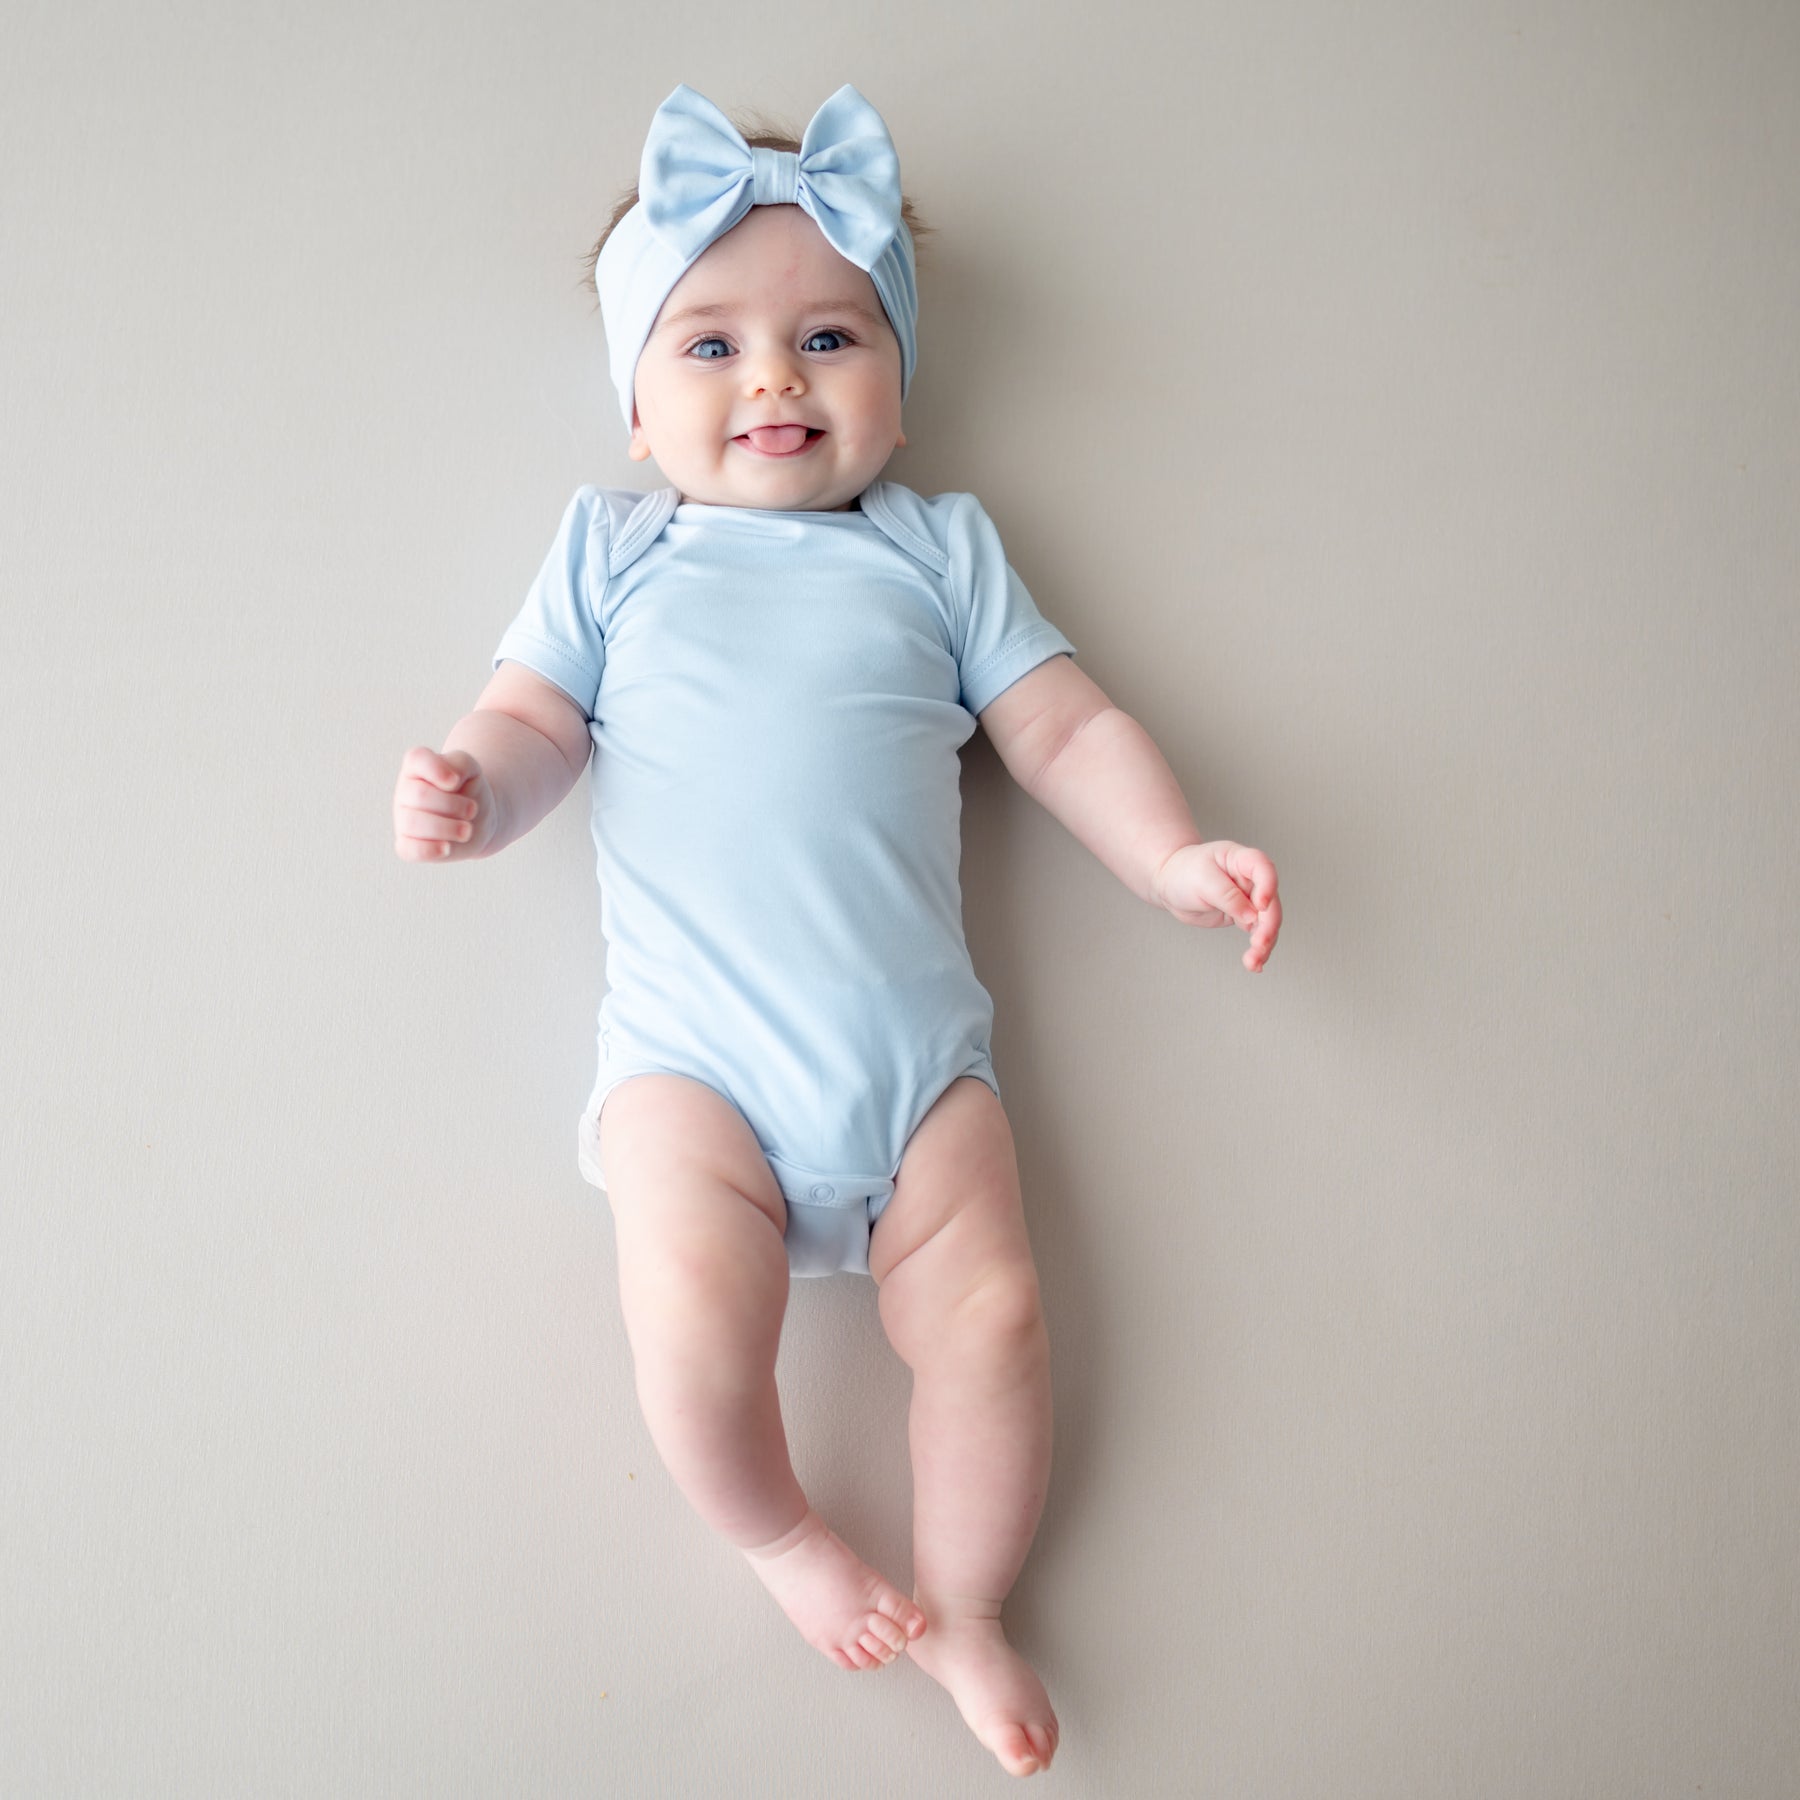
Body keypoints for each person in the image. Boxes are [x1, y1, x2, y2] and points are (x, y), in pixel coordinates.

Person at [391, 83, 1281, 1779]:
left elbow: (1068, 731)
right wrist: (470, 792)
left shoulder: (943, 554)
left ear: (899, 381)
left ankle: (971, 1605)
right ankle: (784, 1536)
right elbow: (531, 731)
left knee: (999, 1325)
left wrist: (1169, 854)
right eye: (709, 347)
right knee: (693, 1339)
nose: (776, 380)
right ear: (638, 413)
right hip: (691, 1070)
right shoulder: (613, 554)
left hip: (915, 1071)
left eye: (827, 336)